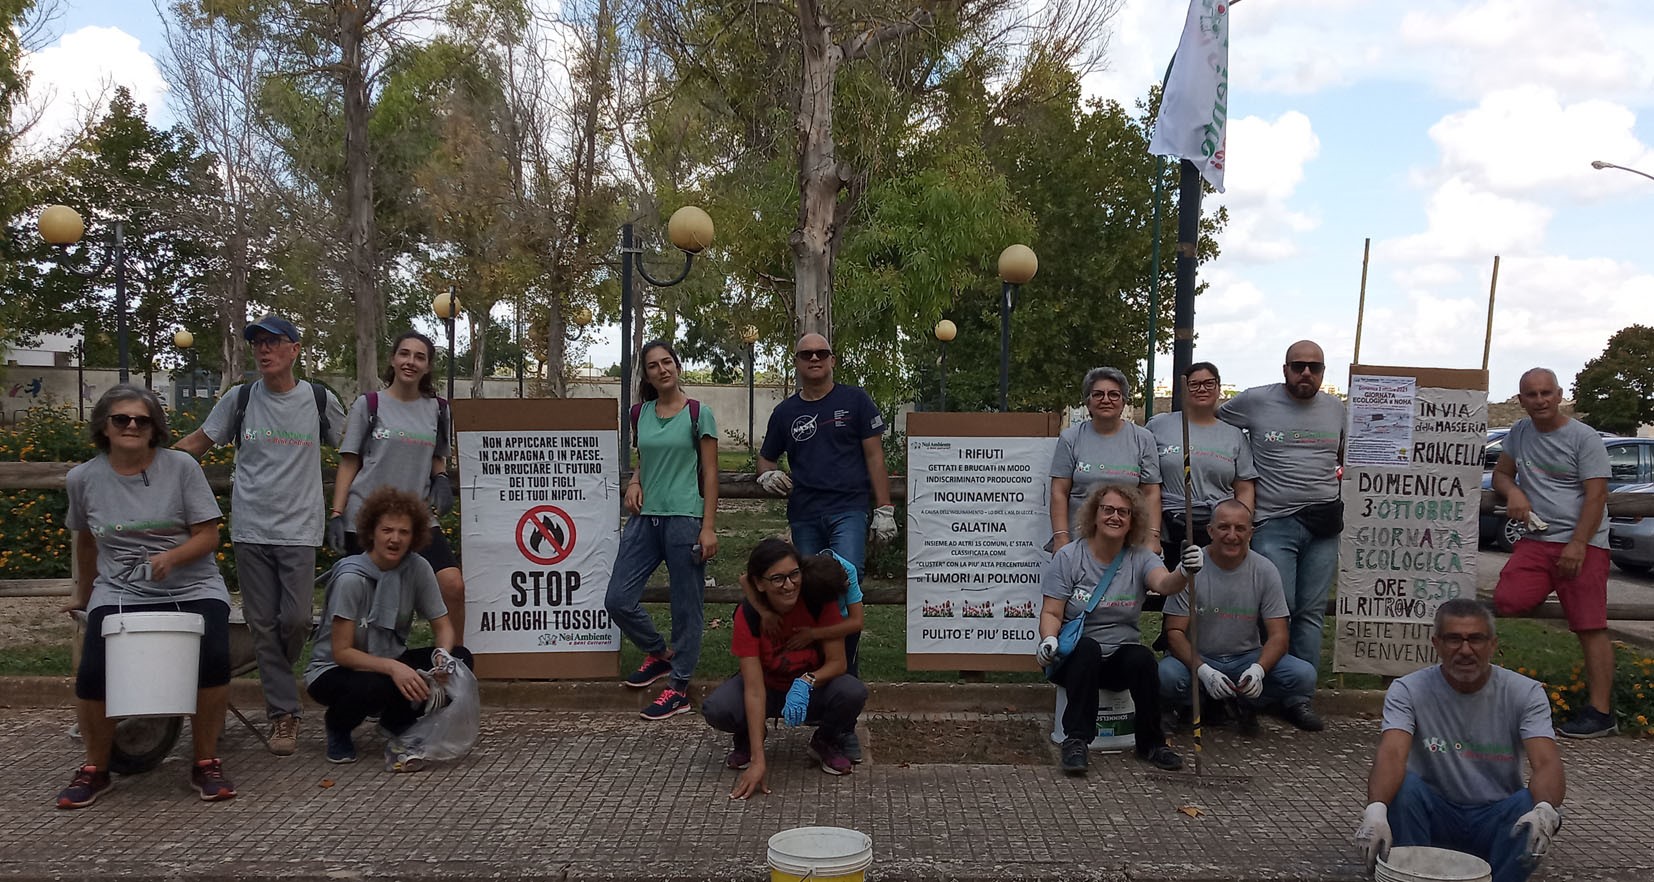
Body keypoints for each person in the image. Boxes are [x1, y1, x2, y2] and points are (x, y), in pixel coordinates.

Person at [58, 385, 237, 808]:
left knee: (212, 655)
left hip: (191, 584)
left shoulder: (181, 467)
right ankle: (95, 768)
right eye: (122, 418)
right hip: (120, 588)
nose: (132, 426)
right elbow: (85, 540)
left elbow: (208, 535)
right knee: (93, 670)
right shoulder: (83, 478)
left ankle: (206, 761)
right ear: (105, 425)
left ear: (154, 426)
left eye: (142, 419)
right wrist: (85, 596)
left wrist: (172, 558)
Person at [176, 315, 345, 756]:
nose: (265, 351)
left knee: (294, 621)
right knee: (263, 624)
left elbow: (353, 450)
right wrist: (143, 463)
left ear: (295, 349)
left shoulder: (320, 399)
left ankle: (273, 673)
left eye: (274, 343)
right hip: (250, 528)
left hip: (300, 529)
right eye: (258, 344)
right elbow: (198, 442)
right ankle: (284, 715)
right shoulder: (241, 398)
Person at [1354, 599, 1564, 882]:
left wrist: (1545, 811)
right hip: (1434, 814)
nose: (1465, 650)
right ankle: (1412, 874)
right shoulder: (1408, 689)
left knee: (1530, 806)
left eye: (1476, 639)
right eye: (1454, 639)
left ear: (1492, 644)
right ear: (1436, 644)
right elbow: (1392, 753)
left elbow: (1547, 762)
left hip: (1495, 817)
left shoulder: (1524, 693)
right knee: (1404, 787)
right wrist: (1376, 810)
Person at [1035, 483, 1199, 775]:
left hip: (1117, 659)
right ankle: (1076, 741)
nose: (1115, 517)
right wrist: (1049, 640)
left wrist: (1184, 572)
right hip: (1074, 657)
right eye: (1108, 509)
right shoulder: (1070, 557)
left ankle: (1152, 743)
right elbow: (1051, 611)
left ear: (1133, 520)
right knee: (1088, 648)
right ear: (1094, 515)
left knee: (1142, 658)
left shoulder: (1141, 557)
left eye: (1124, 512)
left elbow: (1163, 584)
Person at [305, 487, 473, 769]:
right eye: (387, 530)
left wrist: (442, 658)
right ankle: (338, 727)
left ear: (414, 536)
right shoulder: (350, 578)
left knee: (462, 659)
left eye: (404, 532)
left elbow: (442, 625)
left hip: (390, 657)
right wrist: (394, 668)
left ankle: (395, 723)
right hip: (334, 669)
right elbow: (342, 652)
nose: (395, 539)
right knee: (376, 683)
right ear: (372, 532)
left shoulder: (418, 567)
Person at [1491, 367, 1615, 738]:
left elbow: (1597, 495)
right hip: (1537, 541)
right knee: (1508, 600)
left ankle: (1601, 712)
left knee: (1590, 625)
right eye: (1532, 394)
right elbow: (1501, 473)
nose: (1540, 400)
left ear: (1559, 395)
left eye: (1547, 393)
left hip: (1584, 542)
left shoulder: (1584, 437)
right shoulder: (1519, 432)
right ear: (1521, 400)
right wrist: (1513, 492)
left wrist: (1579, 544)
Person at [604, 340, 720, 720]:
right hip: (644, 520)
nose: (661, 370)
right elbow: (645, 459)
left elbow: (711, 473)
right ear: (647, 375)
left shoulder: (698, 413)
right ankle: (658, 652)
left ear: (678, 365)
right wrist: (635, 482)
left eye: (667, 362)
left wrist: (709, 527)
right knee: (618, 598)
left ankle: (679, 687)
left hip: (685, 519)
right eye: (653, 366)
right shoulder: (641, 412)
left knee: (687, 607)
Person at [704, 538, 869, 799]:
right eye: (778, 579)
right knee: (718, 708)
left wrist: (806, 680)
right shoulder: (748, 615)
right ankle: (749, 738)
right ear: (760, 584)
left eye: (794, 575)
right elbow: (755, 690)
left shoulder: (817, 596)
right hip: (768, 687)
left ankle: (825, 740)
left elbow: (838, 663)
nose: (789, 585)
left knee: (852, 691)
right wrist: (760, 760)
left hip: (810, 688)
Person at [1218, 340, 1345, 670]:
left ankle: (1299, 691)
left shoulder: (1336, 410)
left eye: (1314, 367)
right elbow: (1216, 426)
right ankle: (1266, 679)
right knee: (1277, 606)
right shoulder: (1255, 400)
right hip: (1274, 522)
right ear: (1285, 369)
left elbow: (1347, 456)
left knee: (1311, 611)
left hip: (1323, 524)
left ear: (1323, 372)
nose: (1306, 373)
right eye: (1298, 365)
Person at [328, 330, 463, 634]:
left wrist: (440, 478)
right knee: (367, 603)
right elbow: (350, 461)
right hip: (368, 518)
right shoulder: (369, 404)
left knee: (452, 584)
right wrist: (337, 514)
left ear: (428, 366)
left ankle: (452, 664)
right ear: (393, 359)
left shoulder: (439, 410)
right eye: (404, 354)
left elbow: (436, 457)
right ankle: (366, 668)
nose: (410, 362)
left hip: (417, 517)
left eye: (419, 357)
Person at [1158, 499, 1323, 733]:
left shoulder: (1265, 570)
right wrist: (1204, 671)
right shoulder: (1191, 567)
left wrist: (1259, 670)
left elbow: (1279, 635)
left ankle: (1246, 699)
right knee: (1167, 675)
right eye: (1224, 527)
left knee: (1303, 675)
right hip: (1200, 655)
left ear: (1251, 532)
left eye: (1240, 528)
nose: (1232, 535)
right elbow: (1174, 633)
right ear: (1210, 530)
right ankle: (1192, 703)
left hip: (1246, 657)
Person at [756, 333, 895, 576]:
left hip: (848, 509)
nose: (814, 358)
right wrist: (768, 475)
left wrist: (884, 509)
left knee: (846, 578)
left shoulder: (856, 400)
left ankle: (847, 617)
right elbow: (765, 458)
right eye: (805, 354)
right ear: (796, 362)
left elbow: (875, 457)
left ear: (832, 361)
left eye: (821, 353)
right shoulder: (784, 412)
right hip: (804, 514)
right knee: (810, 585)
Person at [743, 547, 866, 760]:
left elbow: (856, 622)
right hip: (812, 623)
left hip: (841, 626)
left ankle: (843, 732)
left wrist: (814, 634)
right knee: (808, 663)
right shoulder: (800, 571)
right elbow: (746, 579)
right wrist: (765, 613)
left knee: (846, 678)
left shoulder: (847, 572)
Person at [1146, 362, 1256, 571]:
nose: (1202, 389)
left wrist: (1242, 528)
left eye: (1208, 383)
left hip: (1219, 529)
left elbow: (1244, 487)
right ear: (1183, 390)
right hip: (1172, 527)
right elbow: (1148, 483)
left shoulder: (1233, 435)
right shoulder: (1158, 426)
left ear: (1218, 388)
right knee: (1174, 589)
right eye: (1194, 384)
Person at [1049, 367, 1162, 556]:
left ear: (1124, 401)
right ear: (1088, 402)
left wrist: (1152, 538)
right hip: (1080, 542)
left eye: (1114, 394)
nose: (1106, 399)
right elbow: (1059, 492)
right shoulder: (1070, 438)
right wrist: (1061, 538)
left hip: (1129, 544)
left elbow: (1151, 493)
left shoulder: (1143, 438)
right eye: (1098, 394)